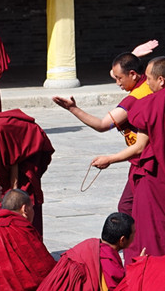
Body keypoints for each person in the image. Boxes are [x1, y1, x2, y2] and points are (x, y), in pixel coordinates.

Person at [93, 57, 165, 260]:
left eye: (149, 78)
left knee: (153, 232)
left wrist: (110, 159)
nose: (146, 83)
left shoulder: (148, 104)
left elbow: (139, 147)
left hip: (156, 180)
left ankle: (152, 274)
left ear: (161, 80)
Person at [53, 46, 157, 213]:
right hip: (145, 156)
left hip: (146, 159)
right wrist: (133, 56)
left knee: (128, 207)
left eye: (119, 78)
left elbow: (102, 125)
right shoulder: (147, 81)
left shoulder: (134, 99)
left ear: (132, 74)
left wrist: (73, 109)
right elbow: (118, 71)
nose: (117, 83)